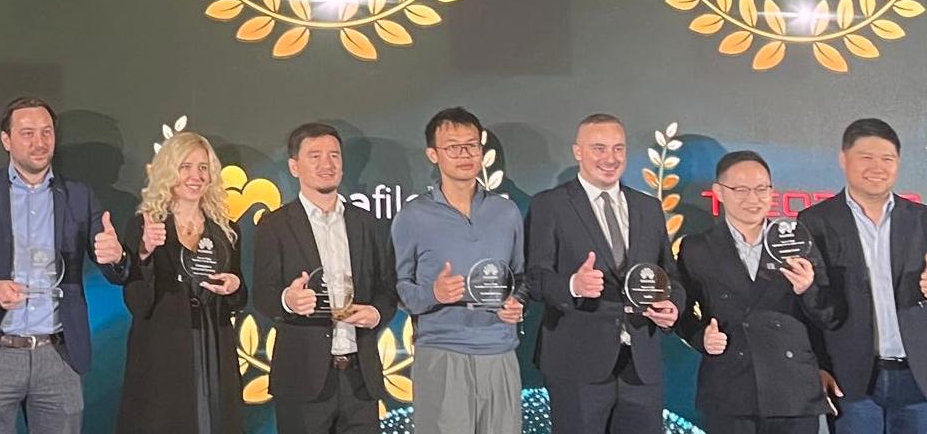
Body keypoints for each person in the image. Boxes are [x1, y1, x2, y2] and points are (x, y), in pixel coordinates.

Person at [0, 96, 132, 434]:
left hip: (59, 355)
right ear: (6, 139)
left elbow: (116, 271)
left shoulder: (79, 196)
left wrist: (117, 256)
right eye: (27, 133)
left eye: (46, 132)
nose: (39, 142)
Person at [525, 112, 684, 434]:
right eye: (599, 148)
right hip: (576, 363)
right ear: (578, 152)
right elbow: (535, 278)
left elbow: (670, 275)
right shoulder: (550, 205)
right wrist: (573, 284)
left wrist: (672, 307)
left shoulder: (648, 207)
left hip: (641, 366)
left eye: (618, 148)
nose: (610, 158)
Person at [799, 118, 927, 434]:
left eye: (887, 159)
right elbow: (810, 304)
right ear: (843, 159)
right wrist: (818, 365)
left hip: (919, 375)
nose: (878, 167)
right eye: (866, 157)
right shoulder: (815, 221)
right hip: (851, 376)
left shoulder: (924, 219)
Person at [675, 150, 840, 434]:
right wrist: (702, 338)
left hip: (793, 391)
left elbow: (829, 315)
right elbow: (680, 312)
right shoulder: (696, 249)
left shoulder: (797, 241)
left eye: (761, 189)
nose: (753, 199)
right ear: (719, 192)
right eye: (741, 189)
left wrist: (807, 289)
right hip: (731, 388)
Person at [252, 122, 398, 434]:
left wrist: (376, 313)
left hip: (360, 379)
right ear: (294, 166)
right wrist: (288, 300)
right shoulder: (274, 225)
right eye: (315, 156)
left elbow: (387, 287)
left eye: (334, 155)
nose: (326, 164)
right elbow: (262, 294)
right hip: (302, 379)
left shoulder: (368, 223)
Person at [391, 108, 525, 434]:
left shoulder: (506, 211)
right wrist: (433, 294)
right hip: (441, 351)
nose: (464, 155)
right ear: (433, 154)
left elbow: (520, 276)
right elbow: (397, 287)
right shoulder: (413, 216)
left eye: (471, 145)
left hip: (499, 350)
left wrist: (517, 302)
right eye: (453, 147)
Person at [116, 131, 247, 434]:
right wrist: (145, 252)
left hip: (214, 347)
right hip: (163, 351)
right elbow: (137, 302)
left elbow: (240, 296)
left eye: (203, 168)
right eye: (185, 167)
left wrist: (234, 287)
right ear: (168, 170)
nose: (195, 176)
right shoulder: (145, 225)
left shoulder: (226, 231)